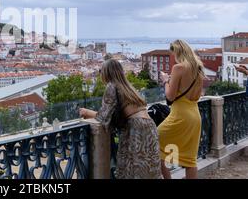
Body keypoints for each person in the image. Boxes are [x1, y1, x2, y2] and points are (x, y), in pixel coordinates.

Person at [79, 59, 162, 179]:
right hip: (149, 125)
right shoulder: (127, 86)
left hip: (136, 128)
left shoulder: (112, 86)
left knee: (133, 170)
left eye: (100, 71)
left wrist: (86, 112)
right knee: (149, 169)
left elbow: (104, 116)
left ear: (107, 73)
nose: (100, 73)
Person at [158, 39, 204, 179]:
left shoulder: (178, 68)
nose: (174, 57)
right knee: (190, 160)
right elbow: (197, 95)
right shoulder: (198, 68)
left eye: (174, 54)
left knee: (154, 143)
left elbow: (170, 97)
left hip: (180, 117)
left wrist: (166, 80)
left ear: (178, 52)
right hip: (195, 117)